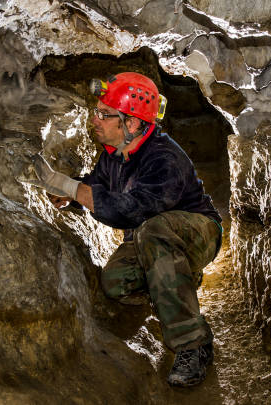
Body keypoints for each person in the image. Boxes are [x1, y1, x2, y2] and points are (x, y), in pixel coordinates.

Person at [29, 72, 222, 387]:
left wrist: (67, 185)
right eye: (98, 111)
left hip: (197, 231)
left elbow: (131, 209)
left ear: (132, 124)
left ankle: (192, 344)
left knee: (152, 229)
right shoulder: (114, 153)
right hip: (153, 241)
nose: (96, 119)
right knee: (115, 283)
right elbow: (99, 186)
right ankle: (177, 286)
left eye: (105, 115)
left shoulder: (164, 158)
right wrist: (72, 195)